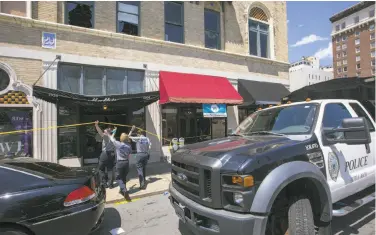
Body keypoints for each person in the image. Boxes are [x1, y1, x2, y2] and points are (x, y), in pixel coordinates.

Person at [105, 128, 132, 201]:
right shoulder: (129, 146)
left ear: (121, 138)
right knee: (124, 177)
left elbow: (112, 139)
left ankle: (124, 190)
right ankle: (122, 191)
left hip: (120, 163)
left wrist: (108, 133)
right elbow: (129, 155)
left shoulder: (118, 144)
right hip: (126, 162)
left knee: (119, 178)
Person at [128, 125, 151, 190]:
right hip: (145, 155)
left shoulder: (138, 138)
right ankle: (144, 181)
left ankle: (142, 185)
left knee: (140, 170)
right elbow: (149, 147)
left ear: (139, 133)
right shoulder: (147, 138)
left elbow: (128, 137)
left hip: (140, 155)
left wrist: (132, 130)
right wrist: (148, 154)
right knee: (143, 168)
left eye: (137, 134)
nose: (137, 135)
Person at [94, 121, 116, 189]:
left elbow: (100, 133)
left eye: (106, 130)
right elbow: (113, 132)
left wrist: (96, 125)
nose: (104, 130)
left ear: (107, 132)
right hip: (112, 154)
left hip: (105, 154)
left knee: (101, 169)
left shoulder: (106, 137)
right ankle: (110, 184)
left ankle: (104, 183)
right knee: (110, 169)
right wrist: (115, 129)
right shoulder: (112, 137)